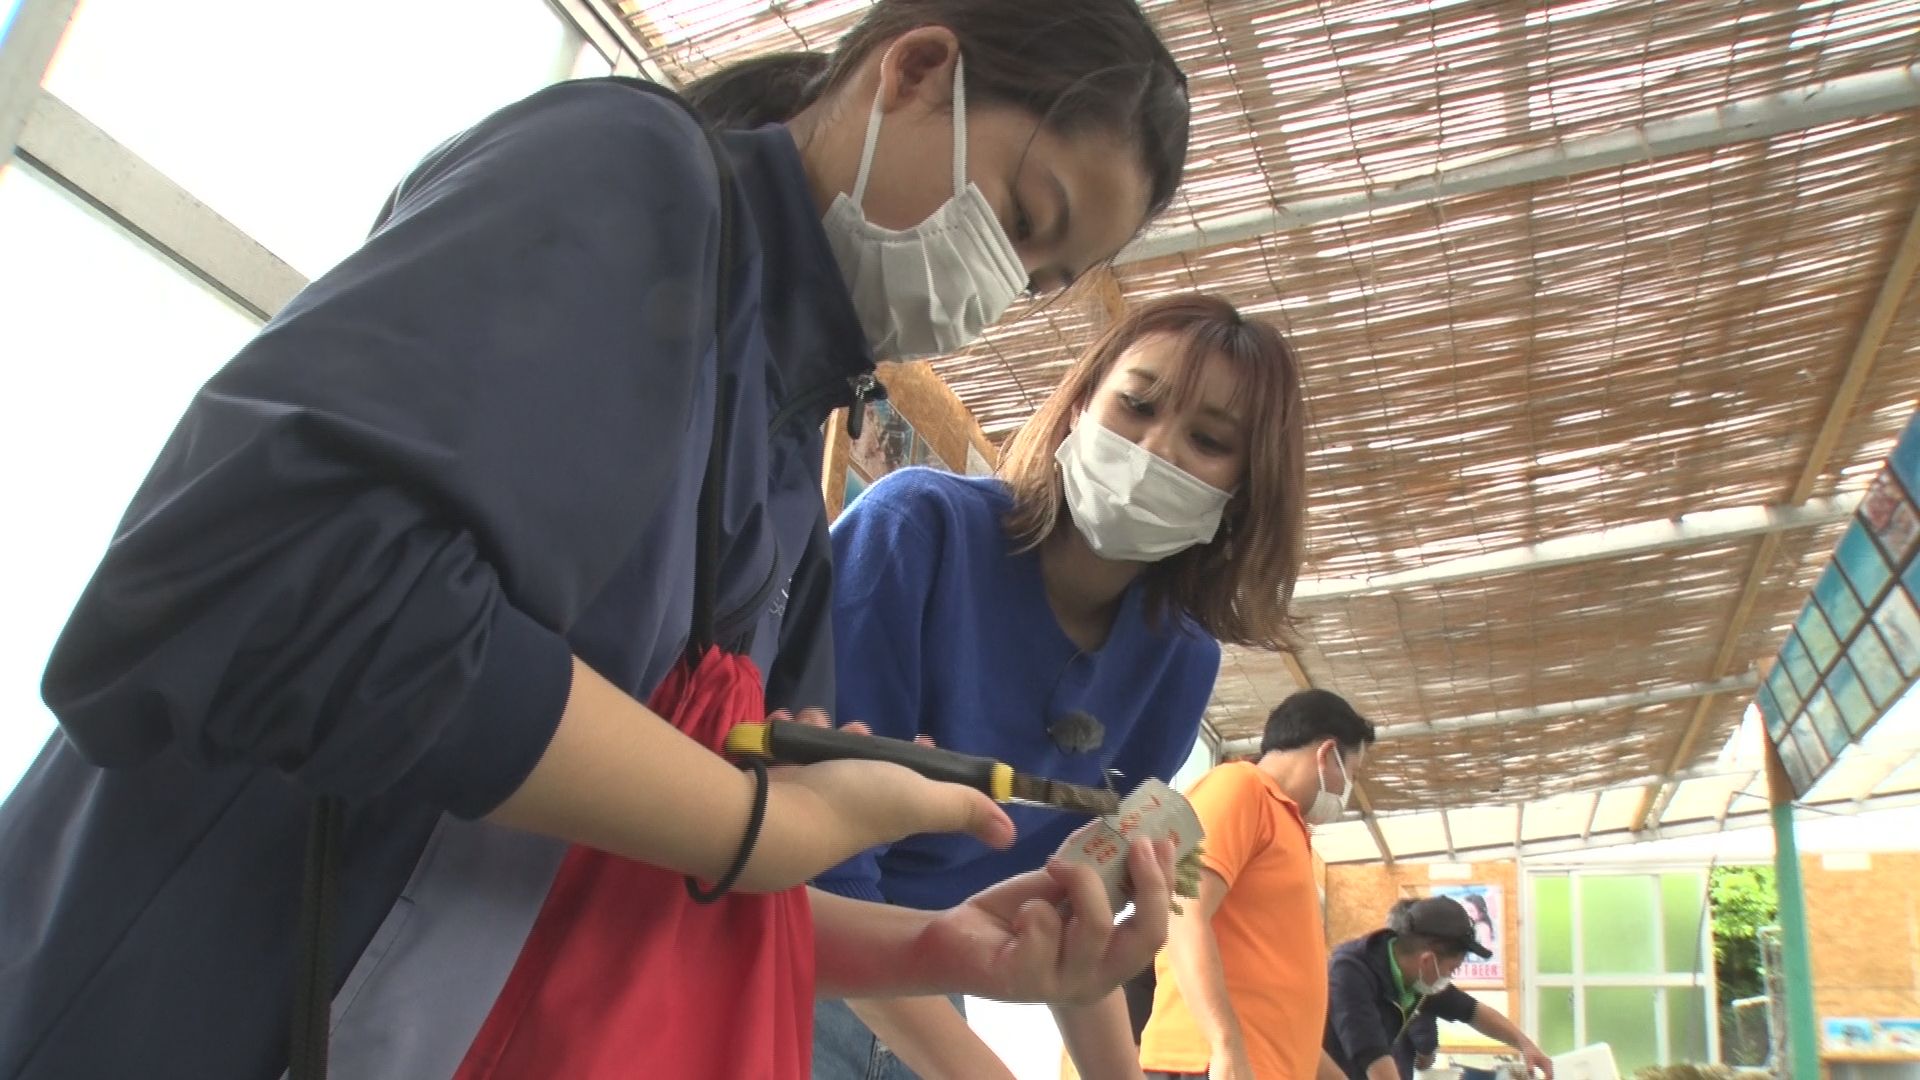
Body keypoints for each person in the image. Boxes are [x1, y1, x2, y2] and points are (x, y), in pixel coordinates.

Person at [0, 2, 1193, 1077]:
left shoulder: (789, 485)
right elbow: (264, 582)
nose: (996, 288)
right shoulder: (633, 176)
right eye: (1021, 221)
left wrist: (939, 947)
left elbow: (649, 859)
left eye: (1042, 277)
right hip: (179, 1001)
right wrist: (758, 821)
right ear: (919, 69)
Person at [813, 293, 1310, 1080]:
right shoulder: (917, 531)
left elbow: (1080, 898)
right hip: (792, 941)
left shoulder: (1179, 664)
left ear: (1244, 492)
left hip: (936, 979)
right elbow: (820, 858)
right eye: (1137, 405)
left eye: (1209, 441)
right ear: (1080, 403)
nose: (1155, 449)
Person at [1140, 690, 1377, 1080]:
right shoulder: (1239, 787)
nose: (1347, 791)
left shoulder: (1287, 824)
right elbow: (1182, 912)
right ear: (1326, 753)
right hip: (1210, 1065)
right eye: (1351, 774)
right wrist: (1225, 1046)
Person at [1323, 898, 1556, 1080]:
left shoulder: (1415, 974)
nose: (1449, 977)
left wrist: (1525, 1045)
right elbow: (1370, 1051)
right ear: (1427, 960)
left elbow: (1470, 1011)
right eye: (1451, 970)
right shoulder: (1350, 971)